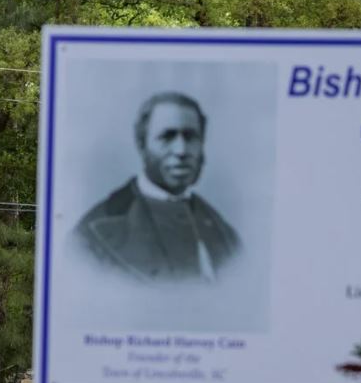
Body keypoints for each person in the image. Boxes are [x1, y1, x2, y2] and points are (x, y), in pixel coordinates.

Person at [75, 92, 241, 282]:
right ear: (141, 144)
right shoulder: (92, 235)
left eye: (191, 137)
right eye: (167, 137)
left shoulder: (225, 234)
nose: (181, 150)